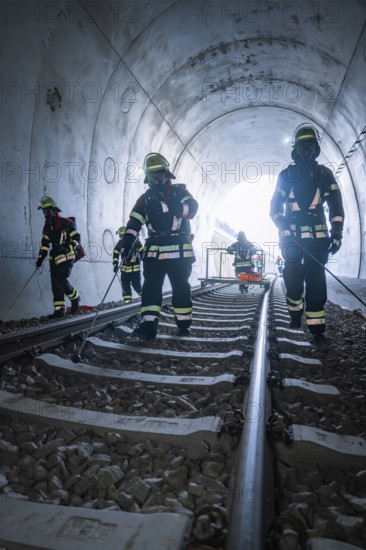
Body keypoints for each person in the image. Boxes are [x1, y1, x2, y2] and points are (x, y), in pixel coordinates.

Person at [270, 123, 345, 337]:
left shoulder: (326, 174)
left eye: (310, 145)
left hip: (318, 241)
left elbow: (336, 207)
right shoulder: (287, 175)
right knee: (292, 279)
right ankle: (295, 314)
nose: (306, 150)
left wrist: (337, 233)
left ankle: (317, 327)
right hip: (292, 242)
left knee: (316, 282)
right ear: (296, 148)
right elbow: (274, 209)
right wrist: (284, 229)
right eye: (303, 146)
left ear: (315, 148)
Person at [120, 152, 198, 341]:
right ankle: (147, 328)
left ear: (166, 174)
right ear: (147, 178)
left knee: (181, 288)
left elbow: (193, 208)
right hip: (155, 251)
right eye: (152, 176)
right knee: (150, 289)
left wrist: (173, 208)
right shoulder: (144, 199)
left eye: (159, 175)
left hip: (178, 249)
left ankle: (184, 324)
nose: (156, 179)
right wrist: (127, 242)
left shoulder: (179, 193)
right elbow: (134, 222)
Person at [35, 196, 81, 319]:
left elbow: (77, 239)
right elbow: (45, 245)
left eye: (48, 210)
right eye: (44, 211)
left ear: (54, 210)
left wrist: (69, 246)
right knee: (55, 285)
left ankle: (76, 299)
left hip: (67, 256)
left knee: (61, 280)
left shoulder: (67, 223)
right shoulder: (46, 228)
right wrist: (40, 259)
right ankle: (59, 311)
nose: (46, 213)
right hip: (54, 259)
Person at [113, 226, 143, 304]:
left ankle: (146, 296)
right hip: (124, 270)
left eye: (123, 236)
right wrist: (115, 265)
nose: (122, 238)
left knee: (136, 286)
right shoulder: (120, 244)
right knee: (125, 286)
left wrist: (145, 260)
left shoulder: (136, 241)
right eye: (121, 236)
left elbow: (142, 252)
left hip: (135, 270)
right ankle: (127, 302)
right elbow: (115, 254)